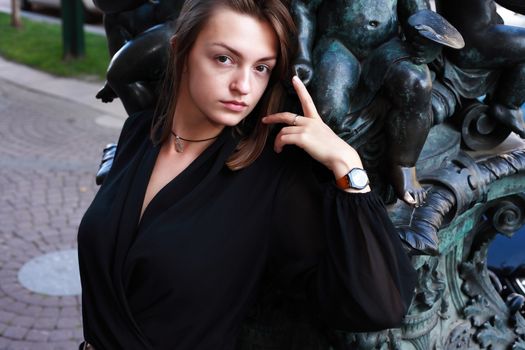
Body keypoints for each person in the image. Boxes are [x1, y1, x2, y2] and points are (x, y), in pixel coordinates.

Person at [77, 0, 417, 349]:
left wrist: (349, 167)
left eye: (261, 68)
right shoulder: (137, 134)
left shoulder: (270, 180)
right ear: (180, 50)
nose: (243, 85)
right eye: (224, 59)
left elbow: (381, 305)